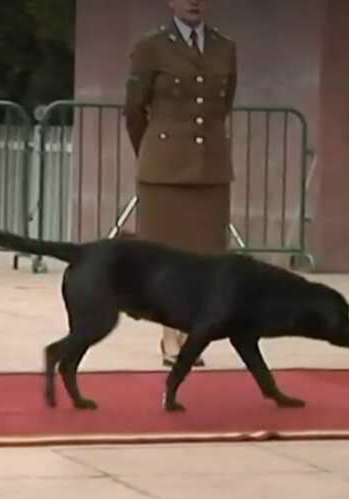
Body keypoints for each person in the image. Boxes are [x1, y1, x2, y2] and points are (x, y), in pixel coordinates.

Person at [124, 0, 237, 367]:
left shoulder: (224, 47)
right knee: (166, 257)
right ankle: (171, 334)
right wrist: (155, 151)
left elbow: (223, 106)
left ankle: (192, 330)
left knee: (205, 256)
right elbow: (134, 109)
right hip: (164, 168)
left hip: (210, 168)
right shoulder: (151, 47)